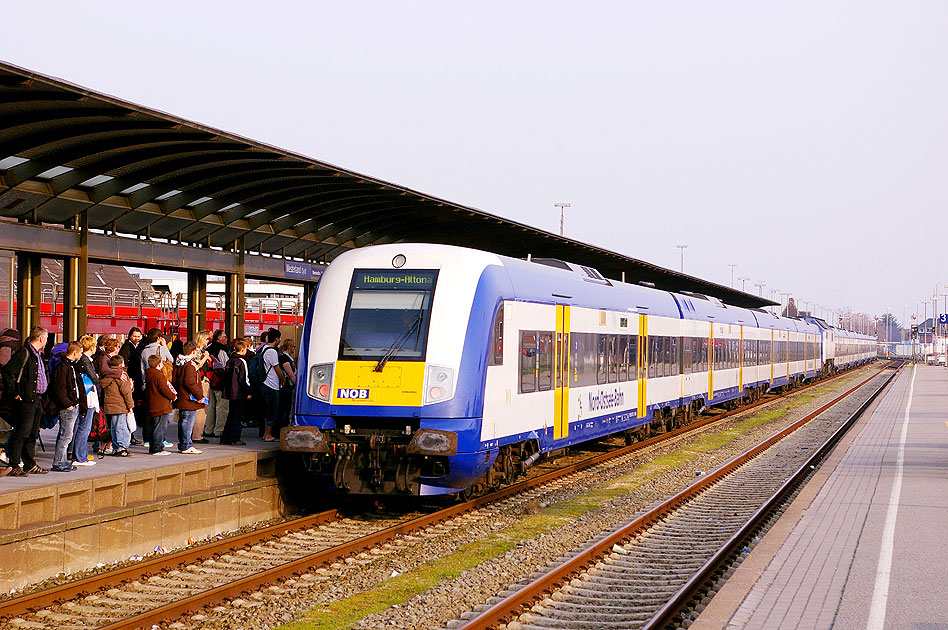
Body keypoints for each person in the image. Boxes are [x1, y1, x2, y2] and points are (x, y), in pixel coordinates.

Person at [1, 326, 49, 477]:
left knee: (32, 433)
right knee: (21, 432)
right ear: (41, 338)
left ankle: (29, 464)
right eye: (46, 338)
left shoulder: (38, 355)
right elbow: (8, 372)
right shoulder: (24, 353)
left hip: (36, 399)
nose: (46, 341)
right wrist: (15, 393)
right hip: (26, 400)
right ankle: (14, 464)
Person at [49, 341, 83, 472]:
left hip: (72, 405)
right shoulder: (63, 367)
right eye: (80, 352)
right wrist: (68, 404)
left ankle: (61, 461)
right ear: (74, 353)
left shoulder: (70, 366)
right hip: (68, 407)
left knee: (65, 435)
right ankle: (58, 462)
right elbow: (60, 388)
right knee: (66, 436)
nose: (81, 355)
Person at [172, 341, 206, 454]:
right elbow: (190, 383)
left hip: (181, 397)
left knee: (183, 422)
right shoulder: (190, 365)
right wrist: (199, 396)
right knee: (187, 422)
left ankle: (183, 444)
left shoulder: (178, 362)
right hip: (189, 399)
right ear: (193, 352)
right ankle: (186, 445)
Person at [71, 335, 99, 467]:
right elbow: (94, 378)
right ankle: (80, 457)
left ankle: (79, 454)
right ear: (92, 347)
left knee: (80, 427)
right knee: (84, 427)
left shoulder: (80, 360)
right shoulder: (86, 361)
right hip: (87, 397)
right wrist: (97, 378)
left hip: (82, 397)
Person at [101, 355, 135, 457]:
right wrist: (130, 407)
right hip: (120, 405)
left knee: (114, 427)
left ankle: (116, 447)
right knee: (122, 427)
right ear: (121, 364)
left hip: (110, 406)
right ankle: (121, 447)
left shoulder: (108, 376)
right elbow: (126, 393)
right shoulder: (122, 375)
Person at [143, 354, 176, 456]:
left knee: (154, 427)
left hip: (152, 404)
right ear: (159, 364)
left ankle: (153, 447)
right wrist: (173, 396)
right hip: (160, 405)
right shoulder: (158, 375)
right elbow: (164, 389)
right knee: (160, 428)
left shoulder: (148, 374)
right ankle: (158, 448)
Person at [221, 338, 251, 445]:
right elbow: (244, 379)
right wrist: (248, 391)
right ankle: (235, 438)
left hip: (230, 391)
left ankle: (225, 437)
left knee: (231, 415)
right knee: (238, 416)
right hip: (239, 392)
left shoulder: (230, 360)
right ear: (243, 349)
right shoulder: (242, 361)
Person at [258, 330, 285, 442]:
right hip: (271, 384)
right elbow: (277, 368)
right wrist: (282, 380)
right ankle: (268, 435)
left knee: (267, 409)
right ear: (277, 339)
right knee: (272, 411)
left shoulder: (263, 349)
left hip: (264, 383)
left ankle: (265, 433)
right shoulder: (272, 352)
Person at [204, 330, 230, 439]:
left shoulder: (208, 348)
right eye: (225, 336)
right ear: (219, 338)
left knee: (211, 407)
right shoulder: (221, 350)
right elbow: (225, 366)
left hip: (211, 381)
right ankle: (219, 430)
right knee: (222, 407)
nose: (226, 338)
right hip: (221, 382)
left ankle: (208, 429)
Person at [190, 330, 212, 444]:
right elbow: (197, 366)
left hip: (202, 381)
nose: (207, 341)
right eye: (206, 339)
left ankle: (196, 433)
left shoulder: (199, 351)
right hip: (202, 382)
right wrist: (206, 358)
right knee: (201, 408)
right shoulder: (199, 352)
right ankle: (197, 434)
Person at [277, 338, 297, 433]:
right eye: (293, 346)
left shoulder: (288, 358)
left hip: (286, 386)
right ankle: (281, 430)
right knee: (284, 409)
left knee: (285, 408)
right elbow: (290, 374)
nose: (294, 349)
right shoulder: (284, 358)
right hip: (285, 387)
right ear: (289, 347)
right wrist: (297, 384)